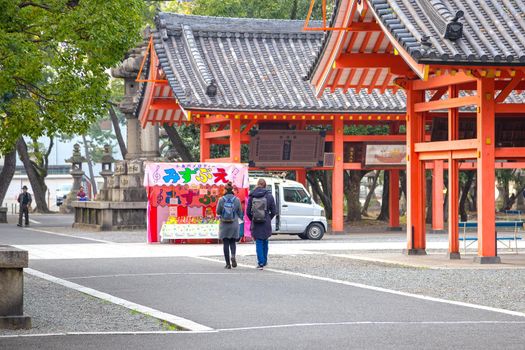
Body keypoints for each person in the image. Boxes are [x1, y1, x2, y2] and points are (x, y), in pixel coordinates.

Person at [247, 178, 276, 270]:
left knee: (258, 241)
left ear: (257, 184)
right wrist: (268, 218)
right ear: (265, 185)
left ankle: (261, 262)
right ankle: (265, 260)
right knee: (265, 240)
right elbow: (274, 211)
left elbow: (248, 212)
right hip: (266, 221)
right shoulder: (269, 196)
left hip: (256, 222)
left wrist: (253, 219)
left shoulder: (252, 196)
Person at [216, 181, 243, 269]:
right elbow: (240, 212)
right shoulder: (237, 200)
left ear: (225, 190)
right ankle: (233, 255)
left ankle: (228, 264)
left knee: (226, 243)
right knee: (232, 242)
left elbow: (218, 212)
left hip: (224, 223)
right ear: (232, 190)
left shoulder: (221, 199)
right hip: (234, 223)